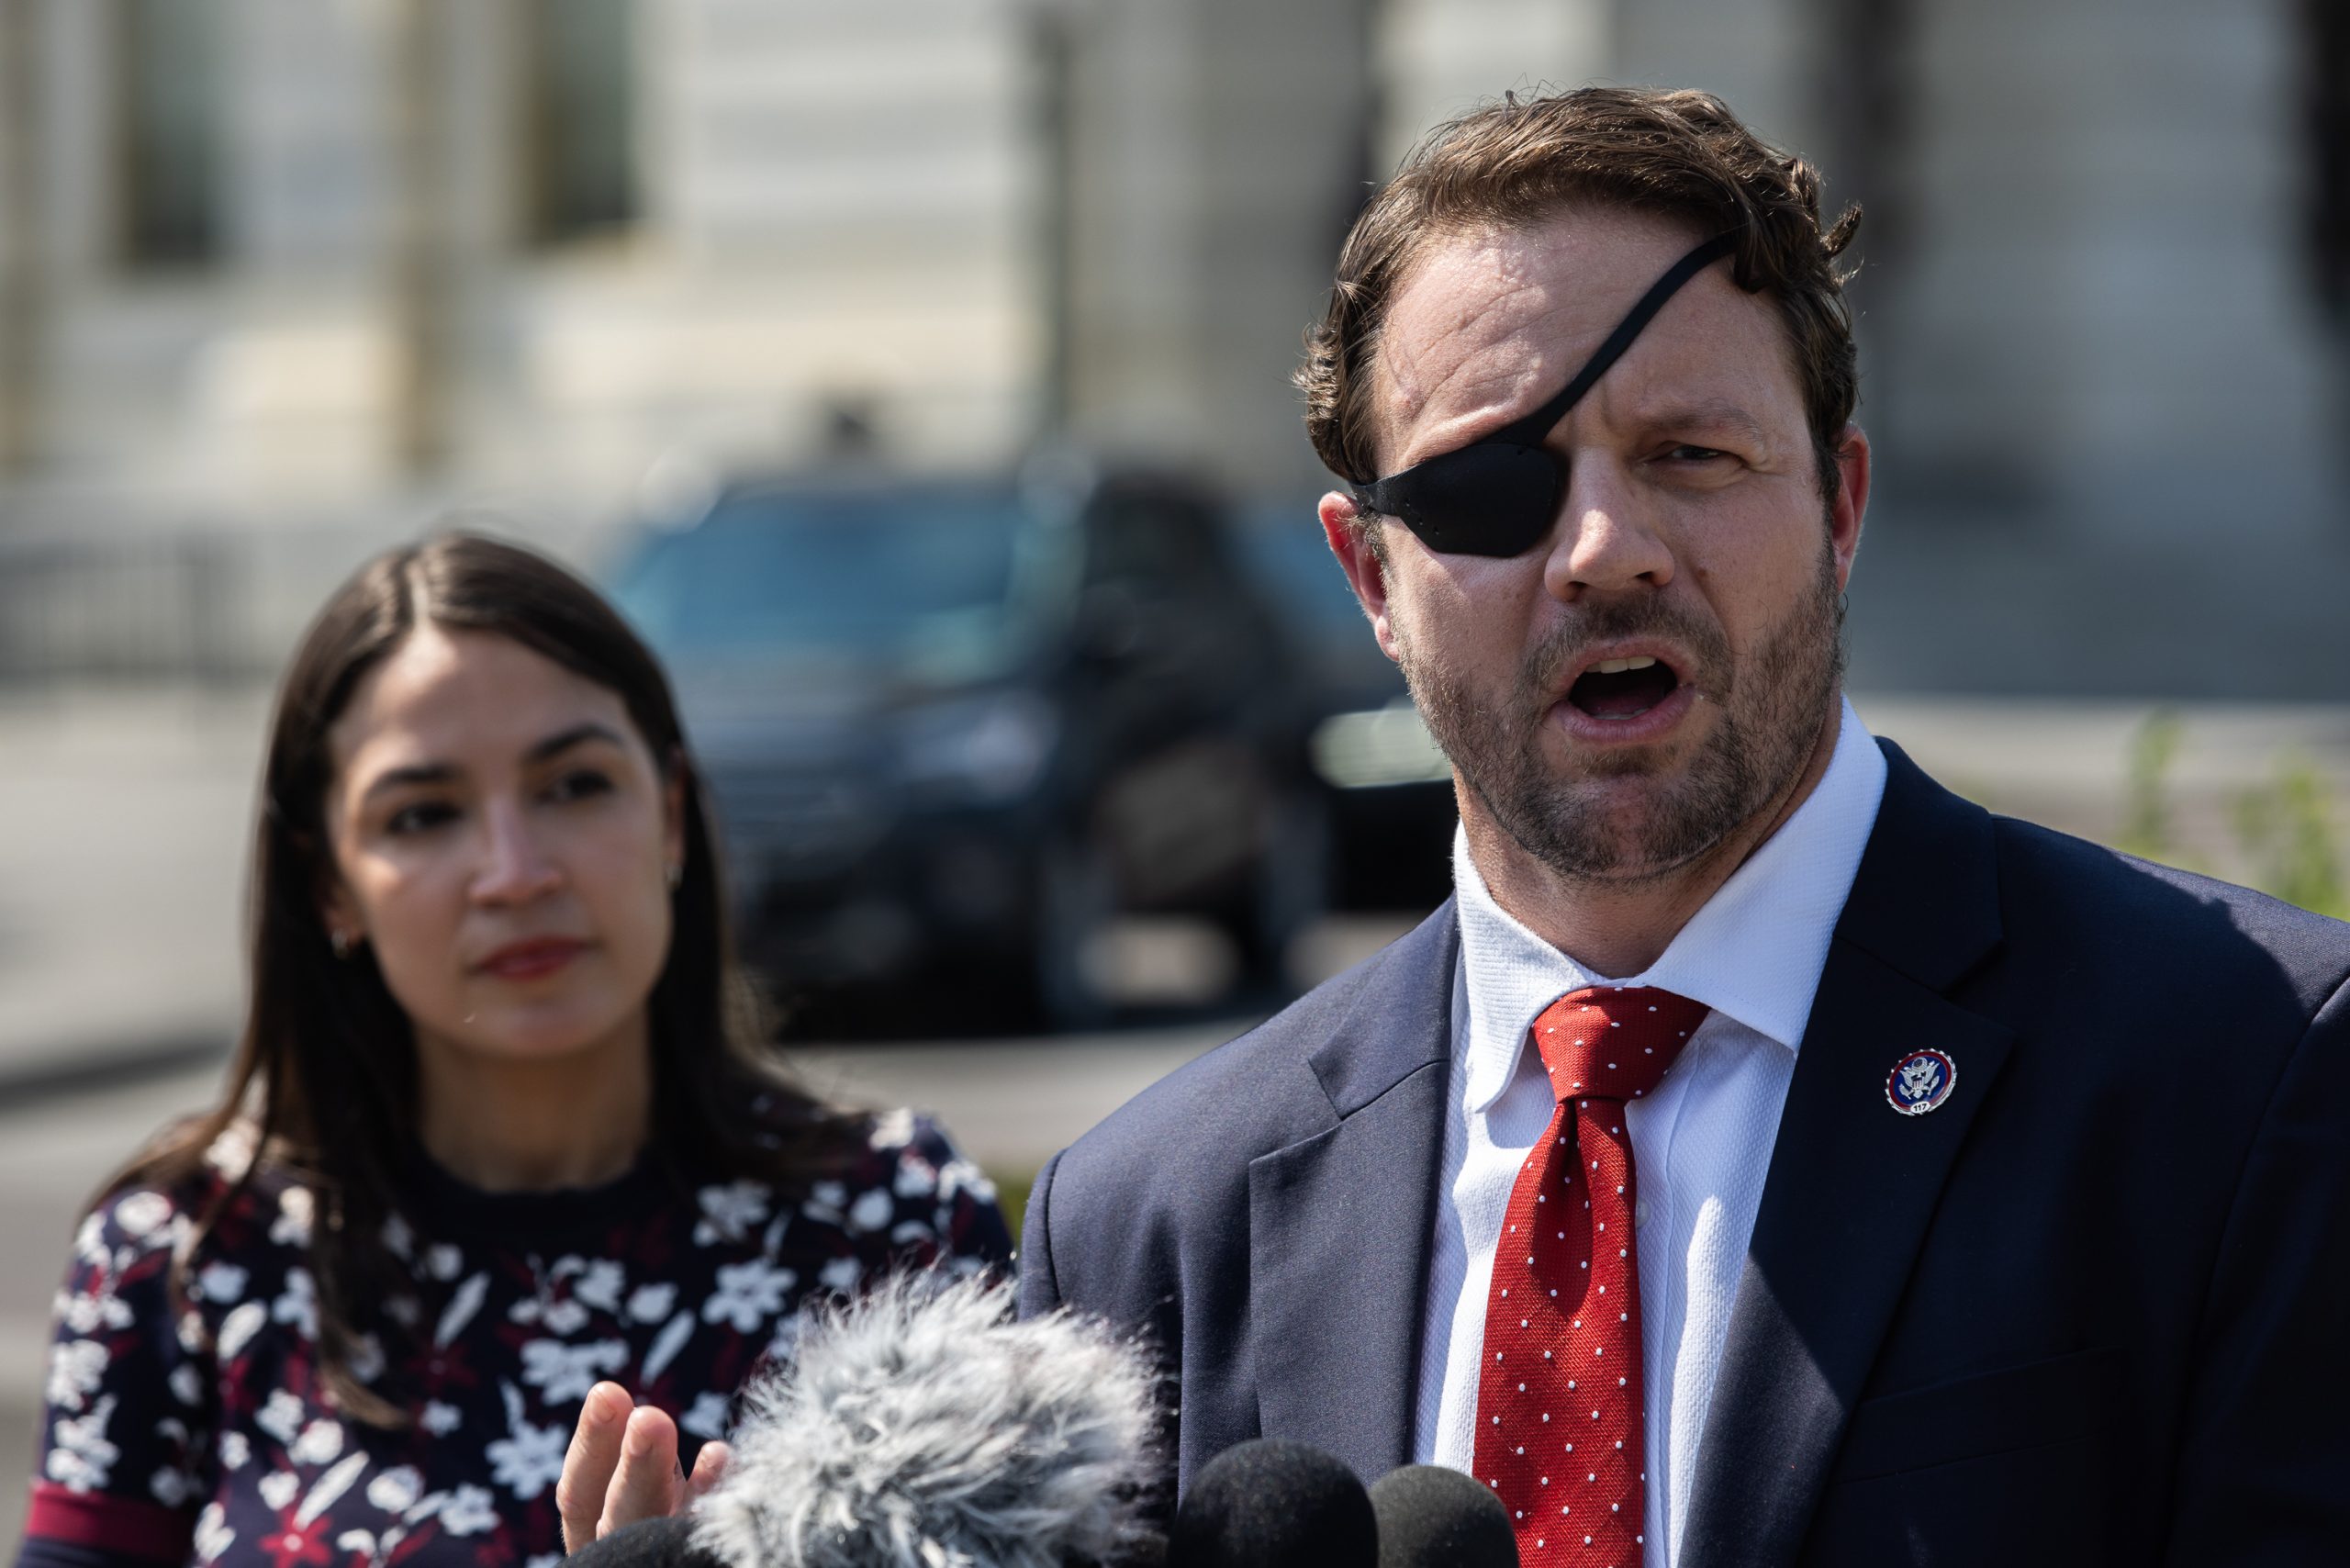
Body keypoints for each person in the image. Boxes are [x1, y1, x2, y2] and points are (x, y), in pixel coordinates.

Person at [1013, 87, 2350, 1566]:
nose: (1603, 552)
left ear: (1840, 508)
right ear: (1372, 582)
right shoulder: (1149, 1226)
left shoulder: (2246, 1079)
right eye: (1491, 484)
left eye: (1691, 456)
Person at [18, 535, 1011, 1568]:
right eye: (424, 814)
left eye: (574, 784)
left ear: (671, 812)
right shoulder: (183, 1255)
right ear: (329, 885)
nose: (515, 870)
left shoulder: (897, 1216)